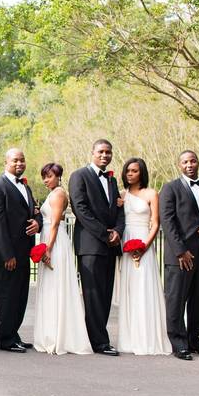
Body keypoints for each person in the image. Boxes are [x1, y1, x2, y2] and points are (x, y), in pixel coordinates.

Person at [68, 139, 125, 356]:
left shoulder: (111, 181)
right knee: (92, 295)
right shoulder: (79, 176)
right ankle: (99, 342)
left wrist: (118, 231)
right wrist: (104, 233)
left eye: (108, 152)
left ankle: (100, 338)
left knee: (105, 294)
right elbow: (80, 209)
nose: (105, 155)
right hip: (91, 245)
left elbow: (119, 209)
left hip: (110, 245)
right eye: (101, 152)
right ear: (92, 153)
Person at [0, 148, 41, 352]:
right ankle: (4, 338)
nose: (19, 163)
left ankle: (13, 334)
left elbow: (36, 212)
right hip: (5, 255)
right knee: (6, 297)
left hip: (25, 251)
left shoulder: (26, 187)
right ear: (6, 162)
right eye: (15, 160)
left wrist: (38, 223)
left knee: (20, 296)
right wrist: (7, 254)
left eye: (22, 160)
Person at [159, 150, 199, 360]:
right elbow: (168, 221)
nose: (189, 165)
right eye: (185, 162)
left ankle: (193, 338)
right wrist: (180, 251)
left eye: (192, 161)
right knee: (176, 299)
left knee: (198, 299)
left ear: (198, 162)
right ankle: (178, 342)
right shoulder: (170, 188)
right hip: (179, 255)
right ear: (179, 165)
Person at [33, 164, 92, 355]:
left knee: (57, 286)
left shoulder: (59, 194)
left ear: (58, 176)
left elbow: (55, 223)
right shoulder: (52, 194)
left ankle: (60, 336)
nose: (46, 180)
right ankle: (49, 332)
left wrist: (48, 248)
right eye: (44, 176)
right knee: (49, 287)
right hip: (49, 238)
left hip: (55, 242)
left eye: (49, 176)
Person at [115, 158, 170, 355]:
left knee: (144, 287)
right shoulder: (122, 195)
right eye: (128, 171)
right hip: (126, 242)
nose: (130, 174)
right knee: (129, 289)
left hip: (143, 240)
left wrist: (145, 245)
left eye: (135, 171)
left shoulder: (151, 193)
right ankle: (129, 339)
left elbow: (155, 223)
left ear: (142, 173)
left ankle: (147, 338)